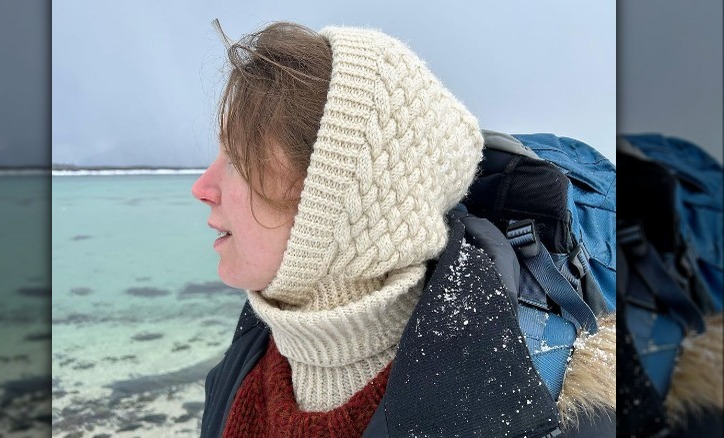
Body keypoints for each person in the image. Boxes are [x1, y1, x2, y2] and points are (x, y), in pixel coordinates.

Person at [192, 21, 614, 437]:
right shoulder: (245, 361)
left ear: (340, 197)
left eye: (238, 161)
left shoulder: (537, 415)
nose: (202, 188)